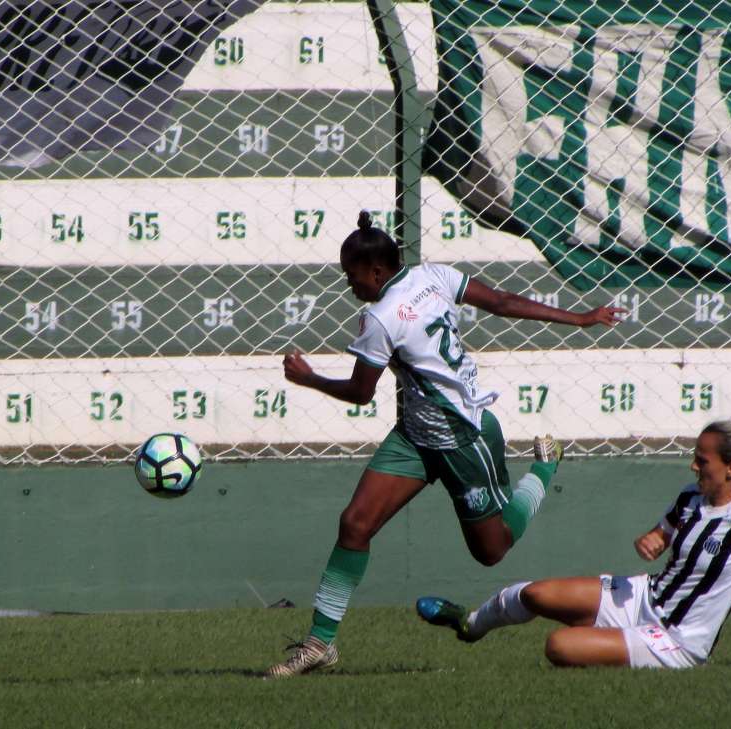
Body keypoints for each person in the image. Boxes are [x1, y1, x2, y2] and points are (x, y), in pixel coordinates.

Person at [265, 211, 626, 678]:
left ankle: (544, 469)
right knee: (355, 524)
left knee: (491, 551)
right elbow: (499, 300)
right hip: (416, 437)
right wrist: (579, 318)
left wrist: (309, 378)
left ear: (376, 273)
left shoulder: (379, 318)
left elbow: (360, 393)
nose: (349, 285)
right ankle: (320, 643)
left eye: (352, 277)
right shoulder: (431, 275)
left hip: (465, 437)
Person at [416, 420, 731, 670]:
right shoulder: (690, 496)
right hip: (641, 599)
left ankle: (607, 642)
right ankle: (470, 625)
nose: (693, 466)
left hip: (677, 641)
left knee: (558, 646)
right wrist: (651, 540)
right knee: (532, 593)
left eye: (702, 461)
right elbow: (660, 535)